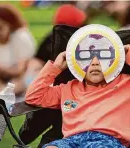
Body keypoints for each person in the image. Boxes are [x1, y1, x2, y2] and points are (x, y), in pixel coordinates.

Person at [25, 41, 130, 147]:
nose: (95, 63)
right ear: (78, 65)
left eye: (102, 58)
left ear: (114, 61)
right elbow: (33, 96)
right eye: (88, 59)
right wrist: (55, 67)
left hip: (108, 141)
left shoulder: (128, 84)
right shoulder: (67, 88)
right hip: (71, 140)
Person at [19, 4, 86, 147]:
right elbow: (34, 96)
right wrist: (54, 68)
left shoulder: (121, 86)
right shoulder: (66, 90)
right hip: (53, 81)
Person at [0, 3, 35, 96]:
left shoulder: (21, 37)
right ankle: (1, 94)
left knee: (31, 72)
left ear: (10, 26)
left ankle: (3, 94)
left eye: (0, 28)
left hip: (18, 79)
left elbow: (21, 70)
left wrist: (0, 69)